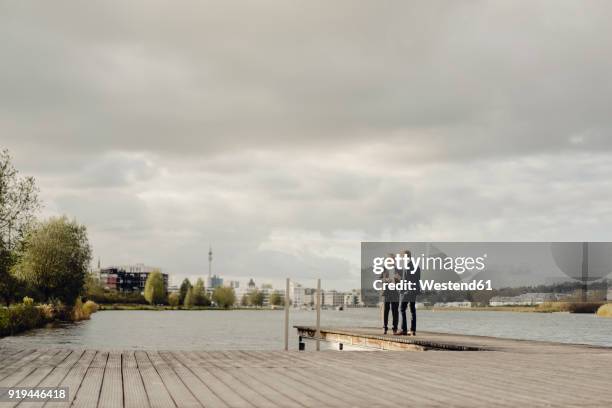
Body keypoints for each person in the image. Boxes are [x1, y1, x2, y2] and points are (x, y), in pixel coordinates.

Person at [398, 249, 421, 336]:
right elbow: (418, 279)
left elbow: (405, 280)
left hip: (407, 291)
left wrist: (401, 290)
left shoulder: (407, 266)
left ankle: (404, 330)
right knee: (412, 310)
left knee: (402, 309)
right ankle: (413, 330)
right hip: (414, 290)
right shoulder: (416, 266)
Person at [382, 254, 399, 334]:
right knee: (386, 310)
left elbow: (402, 280)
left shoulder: (398, 269)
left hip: (395, 292)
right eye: (389, 259)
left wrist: (398, 279)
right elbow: (380, 279)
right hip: (387, 292)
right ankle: (385, 327)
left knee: (395, 311)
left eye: (392, 259)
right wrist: (385, 279)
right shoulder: (384, 269)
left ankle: (395, 329)